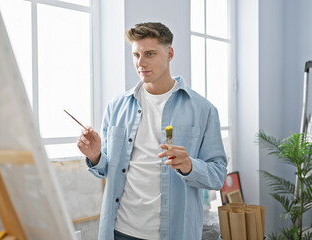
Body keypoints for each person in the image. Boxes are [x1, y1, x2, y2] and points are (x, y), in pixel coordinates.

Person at [77, 22, 227, 240]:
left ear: (170, 53)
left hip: (175, 233)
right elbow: (108, 168)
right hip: (120, 231)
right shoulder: (116, 107)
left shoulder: (203, 110)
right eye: (136, 55)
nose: (141, 63)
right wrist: (95, 155)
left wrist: (189, 165)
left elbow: (218, 175)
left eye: (149, 54)